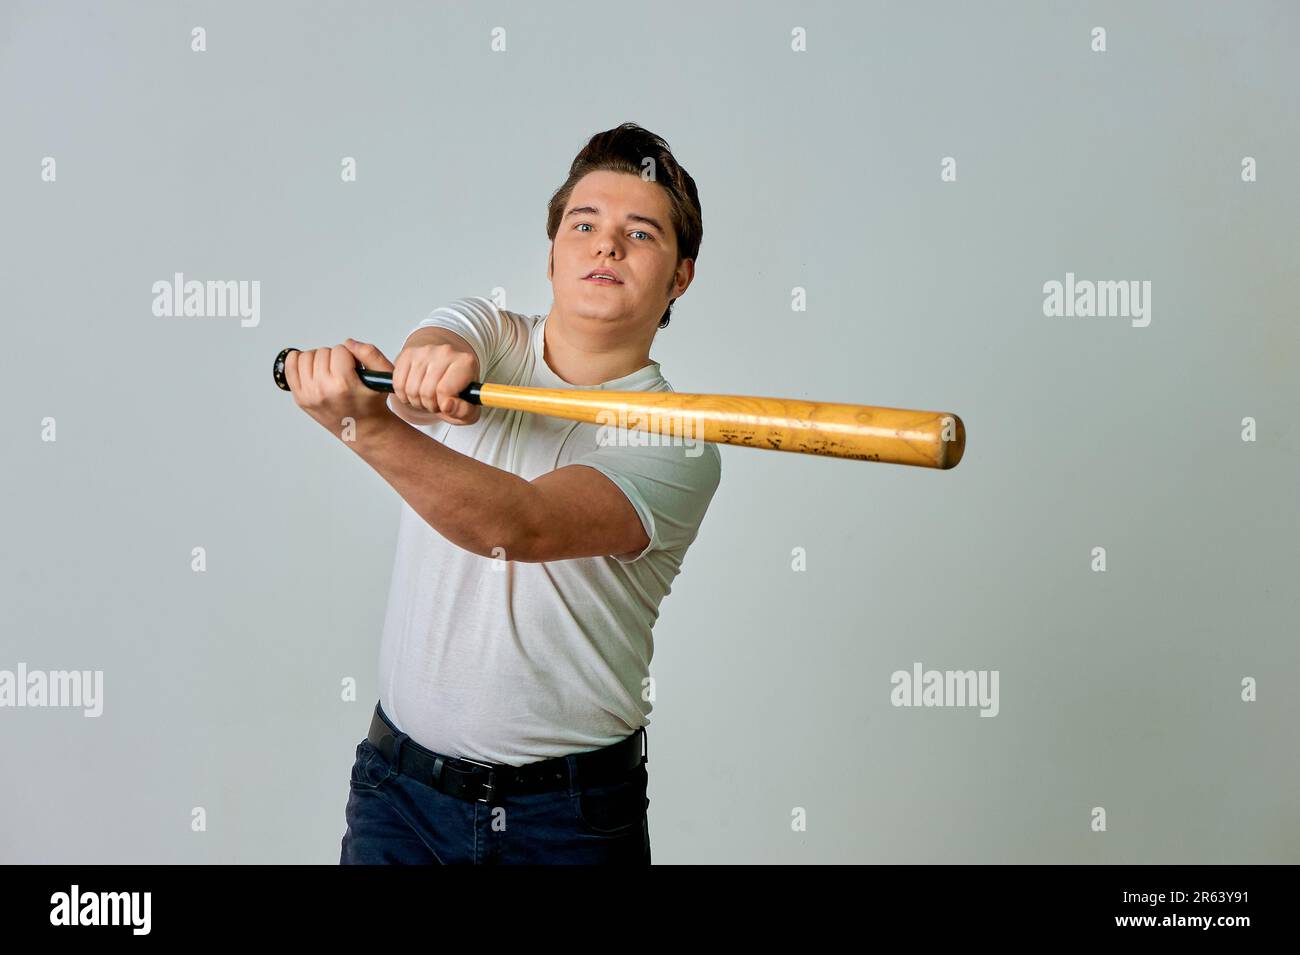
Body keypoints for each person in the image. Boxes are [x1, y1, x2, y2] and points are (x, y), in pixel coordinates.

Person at [282, 122, 721, 864]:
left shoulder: (677, 441)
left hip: (569, 820)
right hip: (399, 795)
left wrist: (367, 430)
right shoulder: (488, 328)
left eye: (639, 233)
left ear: (679, 275)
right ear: (551, 254)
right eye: (584, 225)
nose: (605, 245)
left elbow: (521, 525)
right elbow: (433, 366)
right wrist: (421, 384)